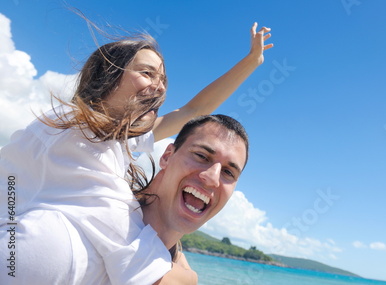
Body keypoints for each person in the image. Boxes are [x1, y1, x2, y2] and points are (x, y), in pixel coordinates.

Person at [0, 23, 271, 284]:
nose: (161, 87)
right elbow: (148, 267)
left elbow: (191, 112)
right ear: (108, 75)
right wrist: (186, 270)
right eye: (147, 73)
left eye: (163, 79)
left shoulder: (114, 140)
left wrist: (251, 62)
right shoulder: (76, 132)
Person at [136, 114, 250, 285]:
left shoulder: (175, 262)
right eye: (202, 156)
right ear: (167, 156)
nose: (213, 178)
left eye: (228, 172)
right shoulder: (110, 207)